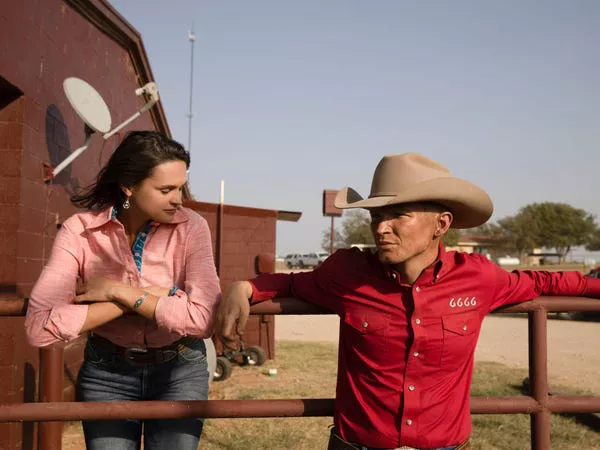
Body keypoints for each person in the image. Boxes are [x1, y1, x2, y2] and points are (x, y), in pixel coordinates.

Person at [217, 152, 600, 450]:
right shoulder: (347, 272)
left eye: (398, 215)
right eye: (377, 216)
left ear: (442, 224)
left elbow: (543, 280)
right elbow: (291, 283)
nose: (381, 227)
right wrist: (246, 288)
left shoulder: (478, 277)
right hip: (357, 445)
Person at [25, 131, 221, 450]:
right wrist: (147, 296)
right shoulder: (80, 231)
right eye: (165, 189)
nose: (178, 199)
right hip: (106, 374)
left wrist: (119, 291)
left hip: (180, 369)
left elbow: (203, 320)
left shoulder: (193, 227)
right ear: (129, 186)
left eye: (180, 187)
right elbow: (39, 327)